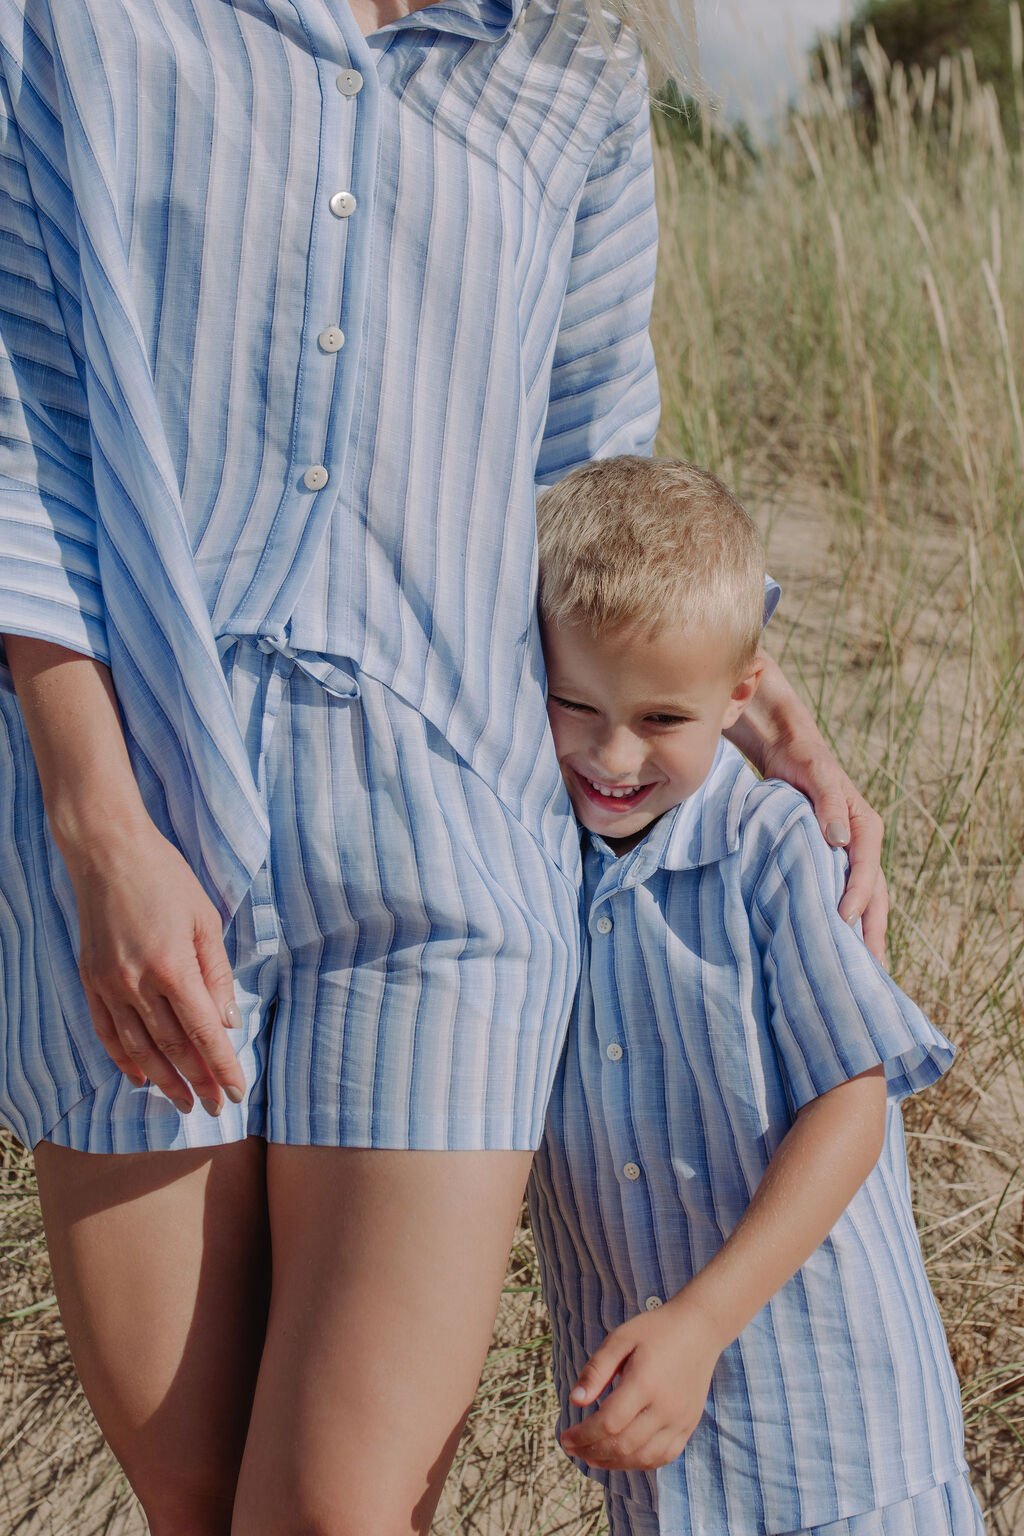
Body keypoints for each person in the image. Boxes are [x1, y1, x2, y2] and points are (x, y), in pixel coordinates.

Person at [0, 2, 888, 1531]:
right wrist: (102, 835)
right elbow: (26, 425)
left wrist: (755, 701)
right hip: (128, 849)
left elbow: (591, 469)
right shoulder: (75, 23)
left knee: (334, 1514)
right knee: (194, 1495)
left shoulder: (573, 73)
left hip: (452, 859)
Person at [528, 456, 985, 1536]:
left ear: (742, 699)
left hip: (845, 1446)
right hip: (666, 1467)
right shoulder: (538, 864)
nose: (613, 752)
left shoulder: (771, 844)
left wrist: (698, 1324)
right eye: (574, 703)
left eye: (662, 717)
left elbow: (851, 1106)